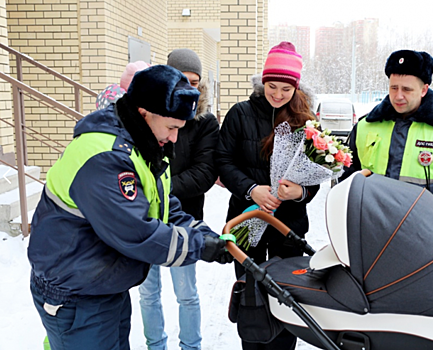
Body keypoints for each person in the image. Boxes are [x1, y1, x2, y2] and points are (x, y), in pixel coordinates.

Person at [28, 65, 233, 350]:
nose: (174, 138)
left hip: (103, 282)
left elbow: (164, 206)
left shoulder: (144, 145)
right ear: (143, 112)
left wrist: (206, 233)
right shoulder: (105, 157)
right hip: (74, 291)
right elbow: (138, 233)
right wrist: (200, 246)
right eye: (172, 127)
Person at [216, 41, 319, 350]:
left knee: (287, 301)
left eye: (285, 89)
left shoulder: (306, 121)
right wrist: (252, 189)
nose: (277, 94)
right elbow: (223, 161)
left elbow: (317, 173)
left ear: (296, 88)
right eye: (272, 86)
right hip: (246, 222)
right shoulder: (240, 114)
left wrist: (299, 191)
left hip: (288, 229)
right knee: (252, 299)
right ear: (262, 82)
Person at [342, 49, 433, 229]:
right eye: (394, 88)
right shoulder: (364, 126)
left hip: (426, 236)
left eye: (407, 89)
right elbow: (346, 180)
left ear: (424, 90)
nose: (398, 96)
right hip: (372, 232)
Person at [139, 49, 219, 350]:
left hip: (183, 219)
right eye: (183, 79)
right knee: (148, 293)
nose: (190, 87)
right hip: (145, 219)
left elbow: (204, 173)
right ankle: (155, 345)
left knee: (186, 294)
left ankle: (190, 346)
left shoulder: (204, 122)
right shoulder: (150, 116)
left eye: (195, 82)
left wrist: (158, 190)